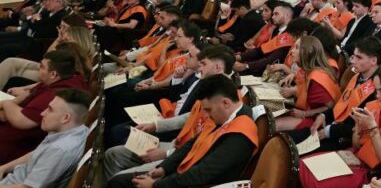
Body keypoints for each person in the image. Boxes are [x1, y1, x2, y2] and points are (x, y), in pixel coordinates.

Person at [107, 74, 258, 188]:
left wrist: (156, 185)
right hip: (184, 174)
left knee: (120, 183)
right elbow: (191, 144)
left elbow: (203, 173)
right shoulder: (225, 116)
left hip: (197, 183)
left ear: (225, 103)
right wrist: (164, 168)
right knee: (118, 180)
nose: (205, 115)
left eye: (208, 110)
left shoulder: (240, 134)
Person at [298, 62, 381, 187]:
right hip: (354, 157)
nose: (378, 96)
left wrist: (373, 128)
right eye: (376, 91)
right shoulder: (375, 106)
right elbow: (357, 145)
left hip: (373, 173)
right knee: (303, 166)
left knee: (317, 182)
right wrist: (358, 130)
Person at [0, 50, 87, 164]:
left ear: (53, 74)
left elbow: (21, 120)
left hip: (15, 147)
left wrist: (7, 104)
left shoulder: (54, 95)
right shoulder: (63, 80)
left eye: (41, 67)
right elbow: (21, 100)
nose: (38, 69)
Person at [300, 37, 381, 152]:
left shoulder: (378, 90)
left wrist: (330, 130)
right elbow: (341, 105)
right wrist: (323, 115)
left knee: (299, 155)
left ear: (373, 61)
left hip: (344, 139)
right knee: (292, 140)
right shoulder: (356, 77)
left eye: (359, 57)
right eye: (353, 56)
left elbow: (357, 126)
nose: (352, 61)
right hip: (331, 125)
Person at [0, 89, 91, 188]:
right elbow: (36, 154)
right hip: (13, 178)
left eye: (50, 109)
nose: (43, 113)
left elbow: (28, 187)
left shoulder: (59, 149)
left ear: (65, 118)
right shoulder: (77, 130)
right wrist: (3, 168)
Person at [276, 36, 341, 131]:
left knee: (276, 124)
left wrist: (304, 114)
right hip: (308, 112)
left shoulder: (317, 78)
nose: (292, 51)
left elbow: (330, 108)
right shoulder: (310, 70)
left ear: (308, 51)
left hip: (320, 122)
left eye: (297, 48)